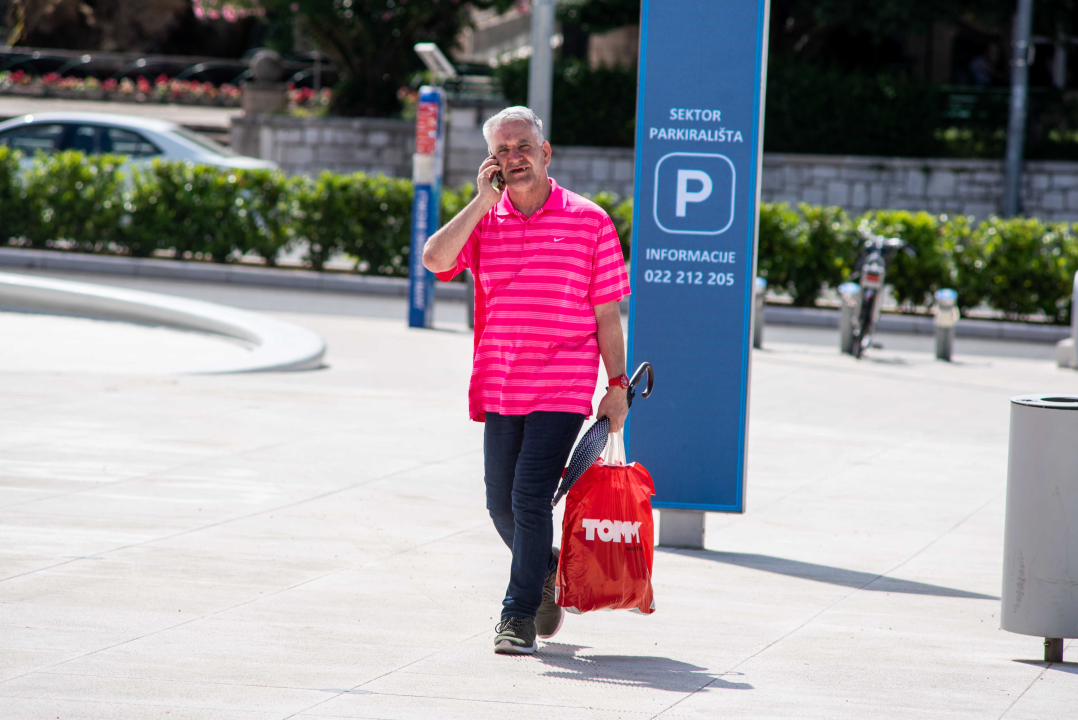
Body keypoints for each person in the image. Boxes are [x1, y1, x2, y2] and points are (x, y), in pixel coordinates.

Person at [422, 106, 631, 655]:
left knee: (530, 497)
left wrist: (617, 385)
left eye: (523, 147)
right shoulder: (484, 220)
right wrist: (480, 202)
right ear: (492, 161)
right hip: (501, 384)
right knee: (500, 505)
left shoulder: (590, 220)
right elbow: (434, 261)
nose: (514, 158)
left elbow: (608, 312)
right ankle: (547, 569)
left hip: (562, 382)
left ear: (545, 152)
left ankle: (514, 616)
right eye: (503, 150)